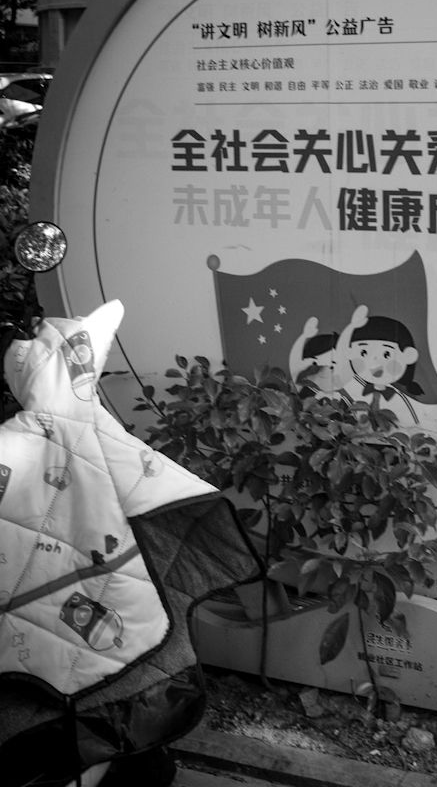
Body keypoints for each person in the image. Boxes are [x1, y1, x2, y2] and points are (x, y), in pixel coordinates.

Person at [0, 300, 261, 787]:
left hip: (36, 598)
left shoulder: (11, 440)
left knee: (51, 700)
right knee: (116, 691)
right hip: (117, 586)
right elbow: (169, 497)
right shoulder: (104, 431)